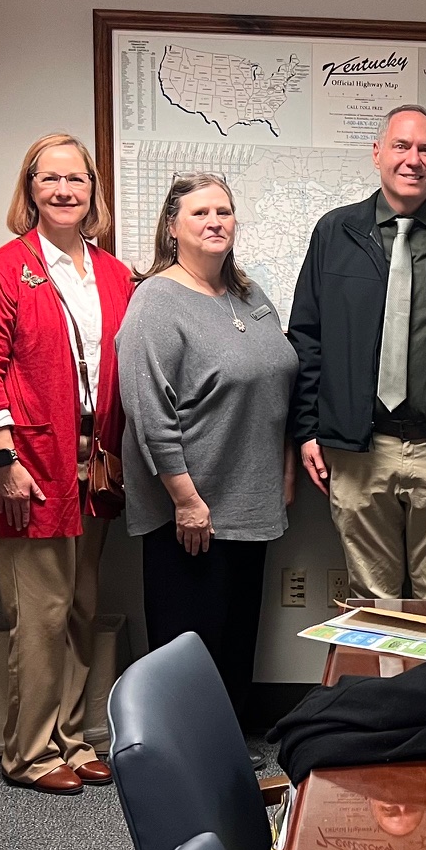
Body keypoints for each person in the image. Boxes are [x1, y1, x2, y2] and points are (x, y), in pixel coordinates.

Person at [0, 134, 134, 795]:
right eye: (50, 178)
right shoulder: (3, 271)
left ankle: (74, 737)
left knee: (85, 605)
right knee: (40, 615)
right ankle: (29, 753)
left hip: (96, 464)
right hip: (29, 462)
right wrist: (3, 459)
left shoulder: (115, 275)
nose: (64, 190)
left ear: (93, 191)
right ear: (29, 190)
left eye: (77, 179)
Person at [290, 105, 426, 599]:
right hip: (359, 449)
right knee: (371, 602)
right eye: (402, 146)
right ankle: (381, 682)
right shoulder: (335, 234)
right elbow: (307, 337)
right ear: (377, 154)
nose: (414, 159)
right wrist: (307, 430)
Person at [118, 173, 296, 725]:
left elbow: (281, 380)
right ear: (173, 228)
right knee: (188, 645)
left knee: (236, 638)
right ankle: (182, 759)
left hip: (251, 501)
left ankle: (229, 751)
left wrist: (285, 468)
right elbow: (148, 411)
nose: (215, 221)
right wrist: (186, 499)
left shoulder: (247, 292)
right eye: (199, 213)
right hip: (192, 510)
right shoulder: (156, 300)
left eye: (224, 211)